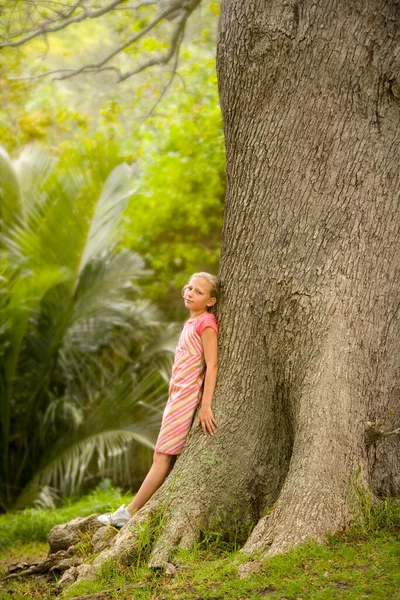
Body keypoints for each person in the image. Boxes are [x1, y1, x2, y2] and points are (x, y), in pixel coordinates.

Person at [98, 272, 219, 527]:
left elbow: (212, 364)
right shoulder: (191, 322)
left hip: (186, 399)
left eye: (198, 292)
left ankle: (128, 513)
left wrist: (205, 405)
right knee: (162, 456)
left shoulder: (206, 323)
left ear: (211, 301)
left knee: (161, 457)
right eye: (189, 288)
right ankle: (135, 511)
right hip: (176, 396)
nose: (190, 293)